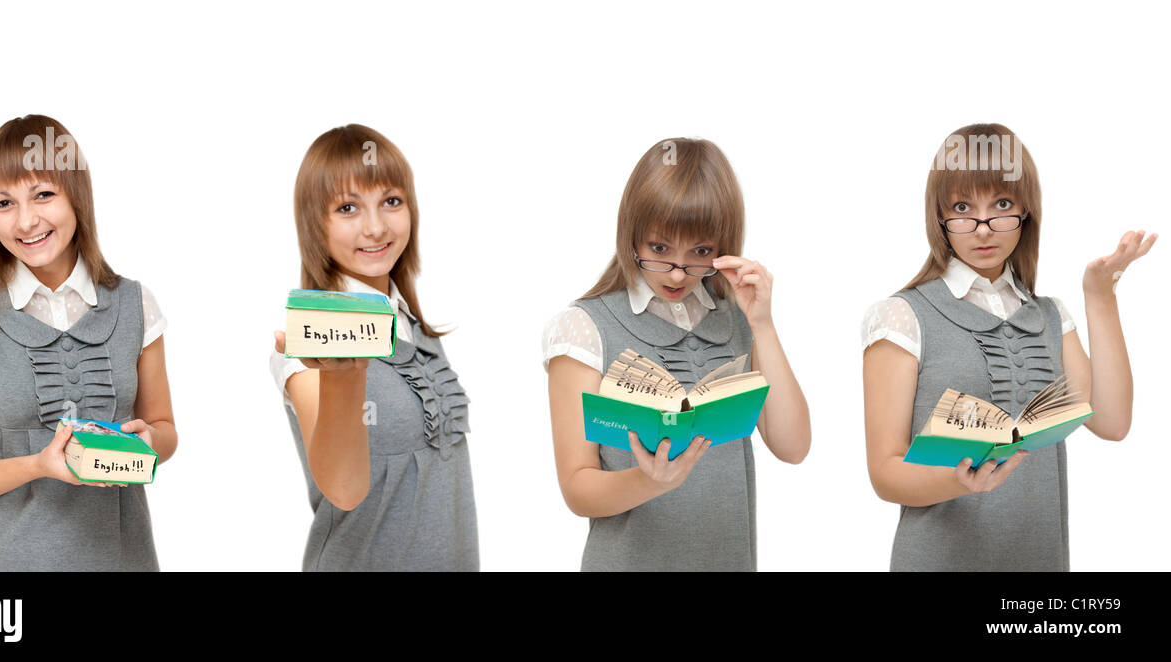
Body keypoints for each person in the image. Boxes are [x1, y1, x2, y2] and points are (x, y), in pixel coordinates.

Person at [861, 123, 1156, 571]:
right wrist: (959, 481)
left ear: (1025, 211)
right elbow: (885, 473)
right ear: (939, 217)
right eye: (962, 208)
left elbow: (1113, 422)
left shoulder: (1051, 317)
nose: (983, 228)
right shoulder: (903, 316)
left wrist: (1100, 293)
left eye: (1000, 205)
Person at [543, 137, 811, 571]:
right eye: (659, 249)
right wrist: (650, 480)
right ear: (631, 236)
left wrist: (762, 322)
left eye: (700, 253)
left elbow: (793, 446)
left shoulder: (738, 321)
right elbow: (578, 490)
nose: (677, 272)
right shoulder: (585, 328)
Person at [0, 114, 177, 571]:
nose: (26, 220)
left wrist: (149, 441)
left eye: (43, 194)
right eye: (4, 203)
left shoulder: (136, 305)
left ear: (76, 197)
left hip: (125, 558)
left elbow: (164, 428)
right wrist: (39, 464)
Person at [270, 124, 477, 571]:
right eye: (348, 207)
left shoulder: (413, 327)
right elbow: (342, 488)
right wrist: (345, 374)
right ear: (314, 224)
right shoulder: (306, 346)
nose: (376, 226)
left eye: (391, 201)